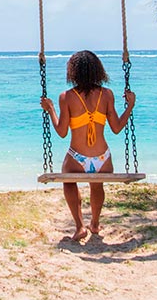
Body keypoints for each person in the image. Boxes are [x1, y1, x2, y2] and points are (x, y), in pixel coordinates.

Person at [40, 50, 134, 241]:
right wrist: (130, 106)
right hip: (103, 158)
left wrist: (50, 110)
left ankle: (79, 226)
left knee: (68, 181)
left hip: (77, 158)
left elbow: (62, 132)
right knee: (97, 184)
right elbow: (116, 128)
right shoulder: (107, 95)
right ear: (97, 70)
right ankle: (95, 223)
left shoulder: (66, 97)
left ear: (73, 72)